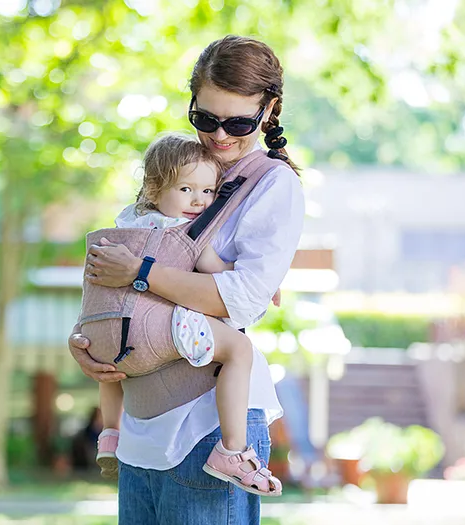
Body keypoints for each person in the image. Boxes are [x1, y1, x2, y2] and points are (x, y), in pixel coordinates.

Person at [70, 35, 305, 523]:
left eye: (239, 122)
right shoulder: (170, 173)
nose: (220, 136)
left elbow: (239, 300)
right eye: (206, 119)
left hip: (209, 427)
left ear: (270, 109)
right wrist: (87, 341)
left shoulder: (272, 185)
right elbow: (109, 277)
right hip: (139, 428)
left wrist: (141, 273)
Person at [94, 133, 281, 496]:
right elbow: (216, 271)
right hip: (168, 321)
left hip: (118, 322)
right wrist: (264, 282)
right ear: (153, 187)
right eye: (185, 189)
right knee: (239, 351)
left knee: (113, 368)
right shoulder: (185, 232)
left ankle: (110, 433)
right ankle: (232, 450)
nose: (199, 201)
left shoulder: (127, 222)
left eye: (208, 191)